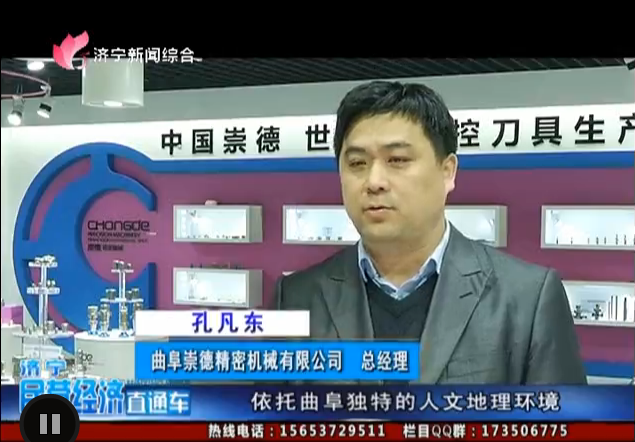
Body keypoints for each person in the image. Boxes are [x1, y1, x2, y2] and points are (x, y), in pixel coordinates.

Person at [273, 80, 587, 384]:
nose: (374, 181)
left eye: (397, 160)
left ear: (447, 171)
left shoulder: (527, 299)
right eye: (357, 163)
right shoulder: (295, 297)